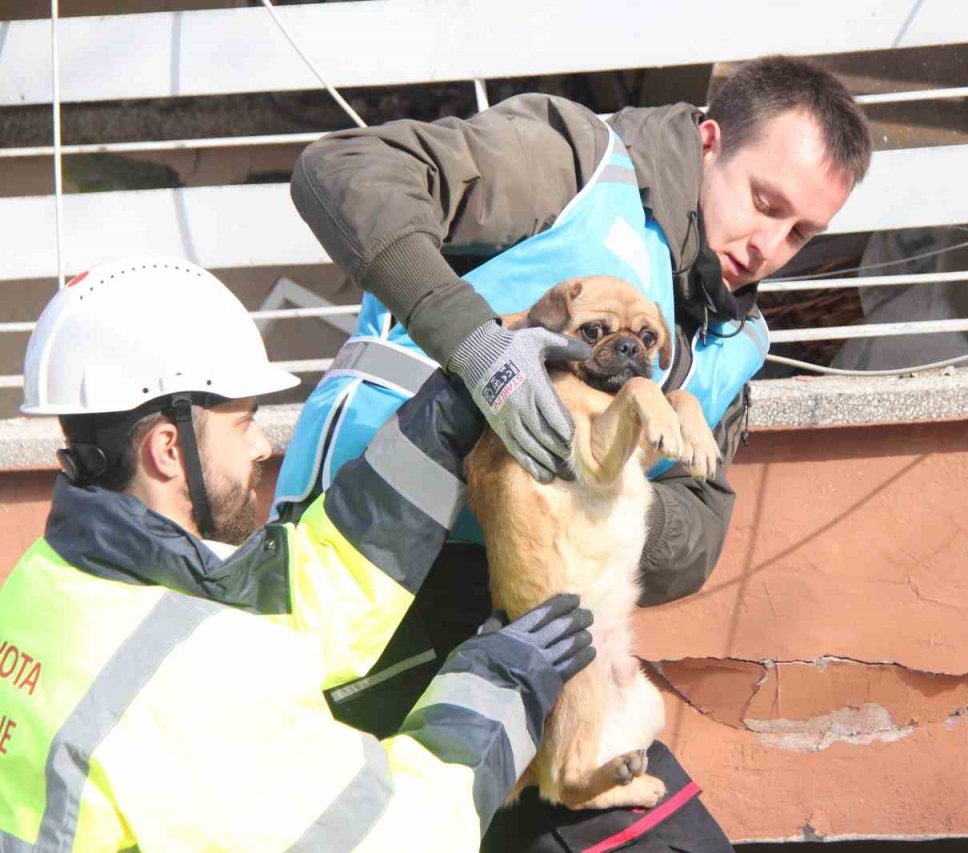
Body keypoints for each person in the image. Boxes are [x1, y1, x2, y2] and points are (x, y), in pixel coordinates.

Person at [279, 55, 872, 849]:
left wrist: (603, 492)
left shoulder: (734, 338)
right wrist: (481, 349)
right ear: (707, 142)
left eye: (801, 231)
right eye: (764, 203)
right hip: (374, 571)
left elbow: (698, 532)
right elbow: (340, 169)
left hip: (554, 629)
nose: (769, 244)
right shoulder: (574, 164)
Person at [0, 257, 596, 851]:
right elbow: (393, 837)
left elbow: (297, 600)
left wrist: (455, 407)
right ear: (167, 449)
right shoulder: (189, 686)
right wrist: (499, 690)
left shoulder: (51, 579)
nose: (261, 445)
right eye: (243, 424)